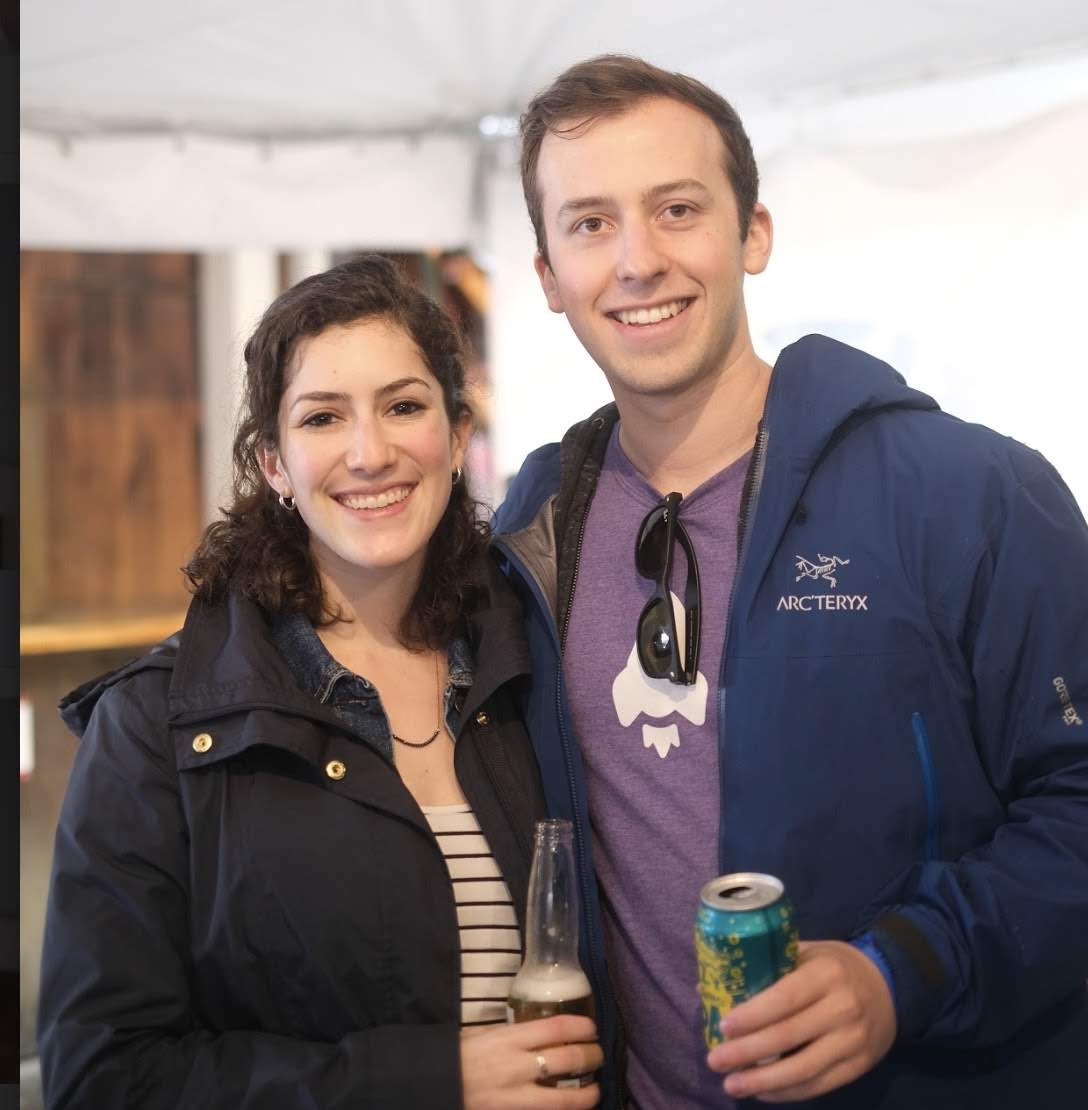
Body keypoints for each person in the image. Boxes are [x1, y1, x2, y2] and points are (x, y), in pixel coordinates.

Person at [492, 54, 1088, 1109]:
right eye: (589, 224)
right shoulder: (536, 525)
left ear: (752, 233)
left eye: (676, 209)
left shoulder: (969, 492)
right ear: (546, 276)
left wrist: (902, 970)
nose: (637, 261)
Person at [38, 255, 603, 1109]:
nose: (370, 454)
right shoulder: (153, 725)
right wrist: (431, 1081)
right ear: (273, 462)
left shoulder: (532, 666)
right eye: (323, 417)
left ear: (457, 436)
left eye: (403, 406)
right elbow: (102, 1077)